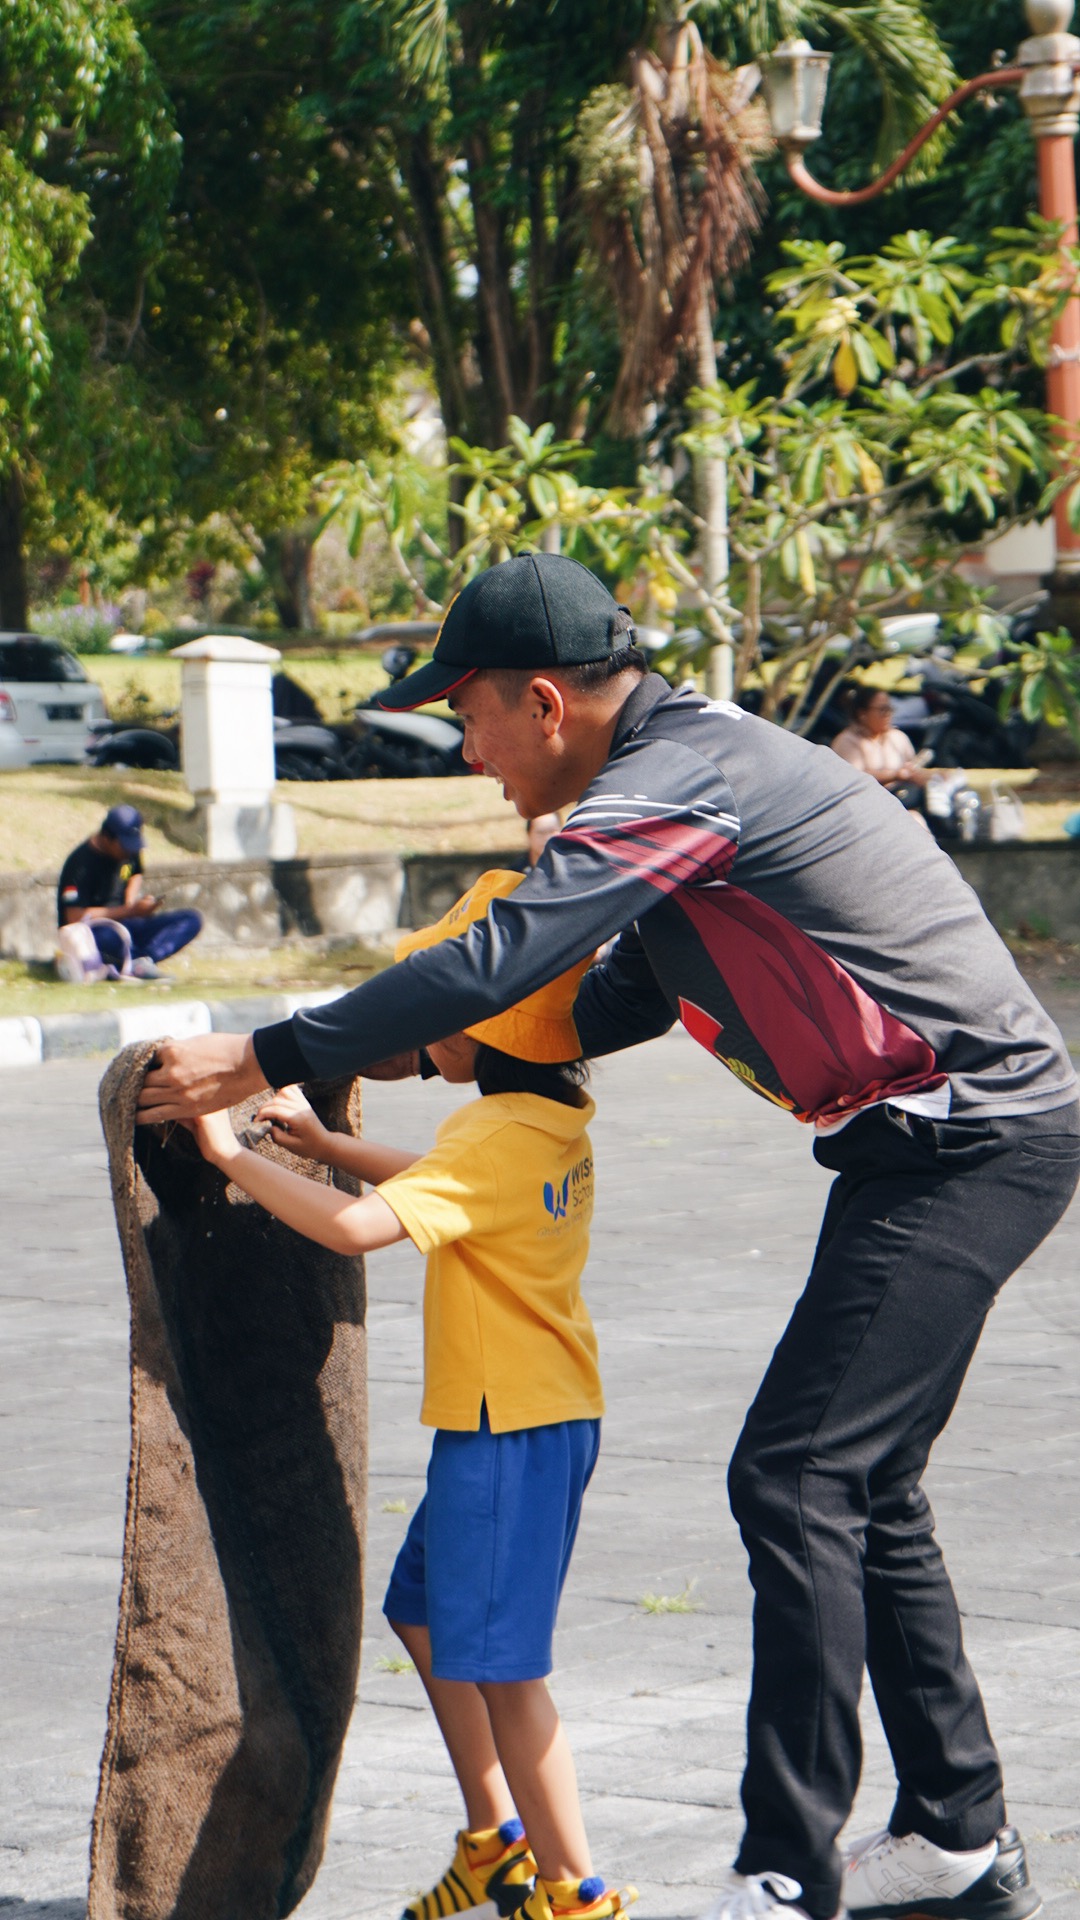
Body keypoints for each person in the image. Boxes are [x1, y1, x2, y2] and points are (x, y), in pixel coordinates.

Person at [138, 553, 1079, 1920]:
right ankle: (957, 1835)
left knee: (797, 1478)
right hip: (928, 1145)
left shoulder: (677, 775)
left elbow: (512, 951)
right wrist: (385, 1057)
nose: (470, 754)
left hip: (973, 1133)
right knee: (863, 1483)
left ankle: (785, 1872)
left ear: (544, 701)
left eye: (469, 718)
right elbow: (583, 1004)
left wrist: (263, 1051)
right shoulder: (681, 781)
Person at [185, 868, 636, 1920]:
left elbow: (354, 1229)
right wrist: (329, 1145)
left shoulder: (489, 1136)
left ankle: (576, 1893)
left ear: (488, 1028)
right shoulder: (547, 1118)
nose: (422, 1028)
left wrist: (225, 1152)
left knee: (505, 1673)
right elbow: (457, 1184)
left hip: (506, 1429)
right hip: (535, 1415)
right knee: (424, 1616)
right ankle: (495, 1842)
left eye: (441, 1008)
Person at [57, 804, 202, 980]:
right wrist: (130, 910)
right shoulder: (80, 864)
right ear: (107, 838)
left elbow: (135, 872)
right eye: (125, 847)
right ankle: (129, 961)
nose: (130, 851)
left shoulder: (129, 850)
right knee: (110, 938)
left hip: (128, 923)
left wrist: (131, 902)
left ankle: (143, 960)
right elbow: (74, 917)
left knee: (191, 920)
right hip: (95, 931)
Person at [829, 685, 930, 800]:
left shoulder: (898, 737)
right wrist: (895, 775)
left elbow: (913, 769)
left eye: (889, 709)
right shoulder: (846, 741)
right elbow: (855, 778)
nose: (888, 714)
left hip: (904, 798)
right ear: (863, 714)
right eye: (882, 710)